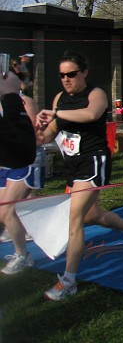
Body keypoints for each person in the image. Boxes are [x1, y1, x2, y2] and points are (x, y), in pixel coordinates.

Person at [35, 51, 123, 300]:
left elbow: (90, 114)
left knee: (74, 217)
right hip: (72, 163)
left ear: (84, 72)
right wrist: (37, 130)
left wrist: (57, 114)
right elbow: (49, 133)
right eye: (62, 75)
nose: (66, 79)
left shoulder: (95, 94)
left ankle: (68, 281)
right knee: (90, 214)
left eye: (71, 74)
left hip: (94, 160)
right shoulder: (59, 99)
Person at [0, 79, 41, 274]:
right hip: (5, 162)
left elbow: (30, 135)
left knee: (7, 210)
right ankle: (23, 236)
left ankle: (22, 254)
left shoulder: (24, 101)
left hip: (23, 161)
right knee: (5, 211)